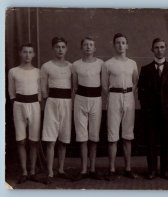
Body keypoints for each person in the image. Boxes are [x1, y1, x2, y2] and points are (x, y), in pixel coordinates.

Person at [138, 38, 168, 180]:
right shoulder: (145, 69)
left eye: (162, 47)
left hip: (167, 112)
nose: (159, 50)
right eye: (156, 47)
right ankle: (151, 170)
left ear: (165, 49)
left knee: (166, 143)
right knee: (150, 143)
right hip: (150, 113)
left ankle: (165, 170)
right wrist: (146, 108)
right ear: (152, 50)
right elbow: (141, 93)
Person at [102, 33, 138, 181]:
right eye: (117, 43)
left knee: (128, 135)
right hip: (114, 97)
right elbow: (104, 85)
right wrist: (112, 98)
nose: (121, 45)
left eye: (123, 43)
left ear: (127, 45)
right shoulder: (108, 64)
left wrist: (129, 94)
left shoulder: (132, 63)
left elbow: (136, 81)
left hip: (128, 97)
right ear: (114, 45)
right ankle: (111, 168)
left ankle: (128, 168)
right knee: (112, 136)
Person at [41, 37, 73, 184]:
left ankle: (60, 169)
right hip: (52, 103)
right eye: (57, 47)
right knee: (50, 139)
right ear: (53, 49)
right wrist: (50, 100)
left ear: (66, 49)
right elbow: (43, 88)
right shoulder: (46, 66)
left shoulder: (71, 67)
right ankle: (50, 172)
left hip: (67, 103)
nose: (60, 50)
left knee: (64, 139)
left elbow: (74, 87)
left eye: (62, 47)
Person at [8, 43, 41, 184]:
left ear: (33, 55)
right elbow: (11, 91)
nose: (27, 55)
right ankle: (24, 172)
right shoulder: (13, 71)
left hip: (34, 105)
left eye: (30, 52)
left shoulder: (38, 72)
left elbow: (40, 91)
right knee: (21, 140)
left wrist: (35, 102)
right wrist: (18, 103)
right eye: (25, 52)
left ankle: (32, 171)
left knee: (34, 140)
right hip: (19, 105)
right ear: (20, 53)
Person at [72, 36, 103, 181]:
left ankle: (92, 168)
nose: (88, 47)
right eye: (85, 45)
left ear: (95, 48)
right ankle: (83, 169)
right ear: (81, 47)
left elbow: (103, 84)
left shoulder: (101, 64)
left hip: (96, 100)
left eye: (91, 45)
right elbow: (74, 86)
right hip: (80, 100)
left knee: (94, 136)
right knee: (82, 136)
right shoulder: (76, 65)